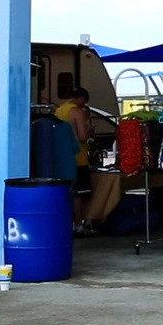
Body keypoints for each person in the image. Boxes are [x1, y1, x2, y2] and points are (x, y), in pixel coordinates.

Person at [55, 87, 94, 235]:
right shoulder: (77, 111)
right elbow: (82, 136)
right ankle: (78, 224)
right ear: (82, 98)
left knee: (65, 191)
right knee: (78, 193)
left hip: (62, 157)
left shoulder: (59, 110)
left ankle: (66, 222)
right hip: (78, 158)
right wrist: (89, 130)